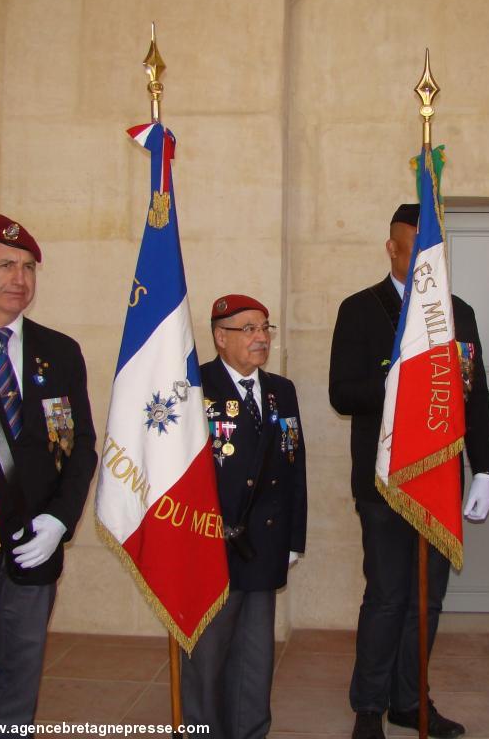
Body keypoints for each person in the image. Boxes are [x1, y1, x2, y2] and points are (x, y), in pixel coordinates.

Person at [329, 204, 489, 739]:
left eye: (434, 251)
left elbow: (474, 396)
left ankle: (409, 699)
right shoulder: (361, 309)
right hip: (385, 482)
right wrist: (401, 381)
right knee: (387, 597)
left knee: (428, 600)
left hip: (440, 478)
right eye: (415, 248)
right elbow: (341, 394)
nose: (427, 260)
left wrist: (485, 469)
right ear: (393, 249)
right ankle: (368, 707)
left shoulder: (458, 312)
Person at [0, 214, 97, 736]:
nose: (19, 278)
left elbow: (79, 447)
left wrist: (59, 520)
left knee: (21, 678)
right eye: (5, 265)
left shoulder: (59, 351)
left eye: (28, 267)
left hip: (37, 545)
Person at [181, 294, 307, 739]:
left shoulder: (281, 390)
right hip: (210, 543)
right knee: (207, 655)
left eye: (265, 328)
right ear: (221, 337)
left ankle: (251, 730)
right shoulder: (193, 387)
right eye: (248, 329)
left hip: (265, 542)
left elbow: (294, 466)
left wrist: (294, 538)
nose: (261, 338)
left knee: (255, 655)